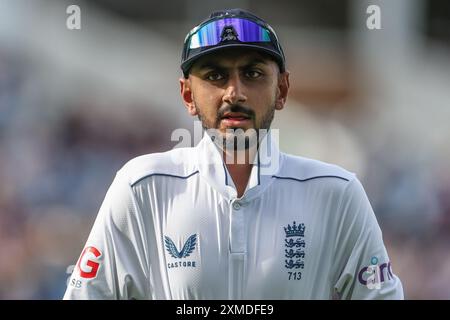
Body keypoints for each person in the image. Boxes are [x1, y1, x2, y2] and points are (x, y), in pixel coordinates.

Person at [63, 8, 404, 300]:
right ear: (187, 96)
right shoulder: (142, 187)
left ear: (282, 89)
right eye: (215, 75)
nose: (234, 92)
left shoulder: (337, 193)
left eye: (252, 73)